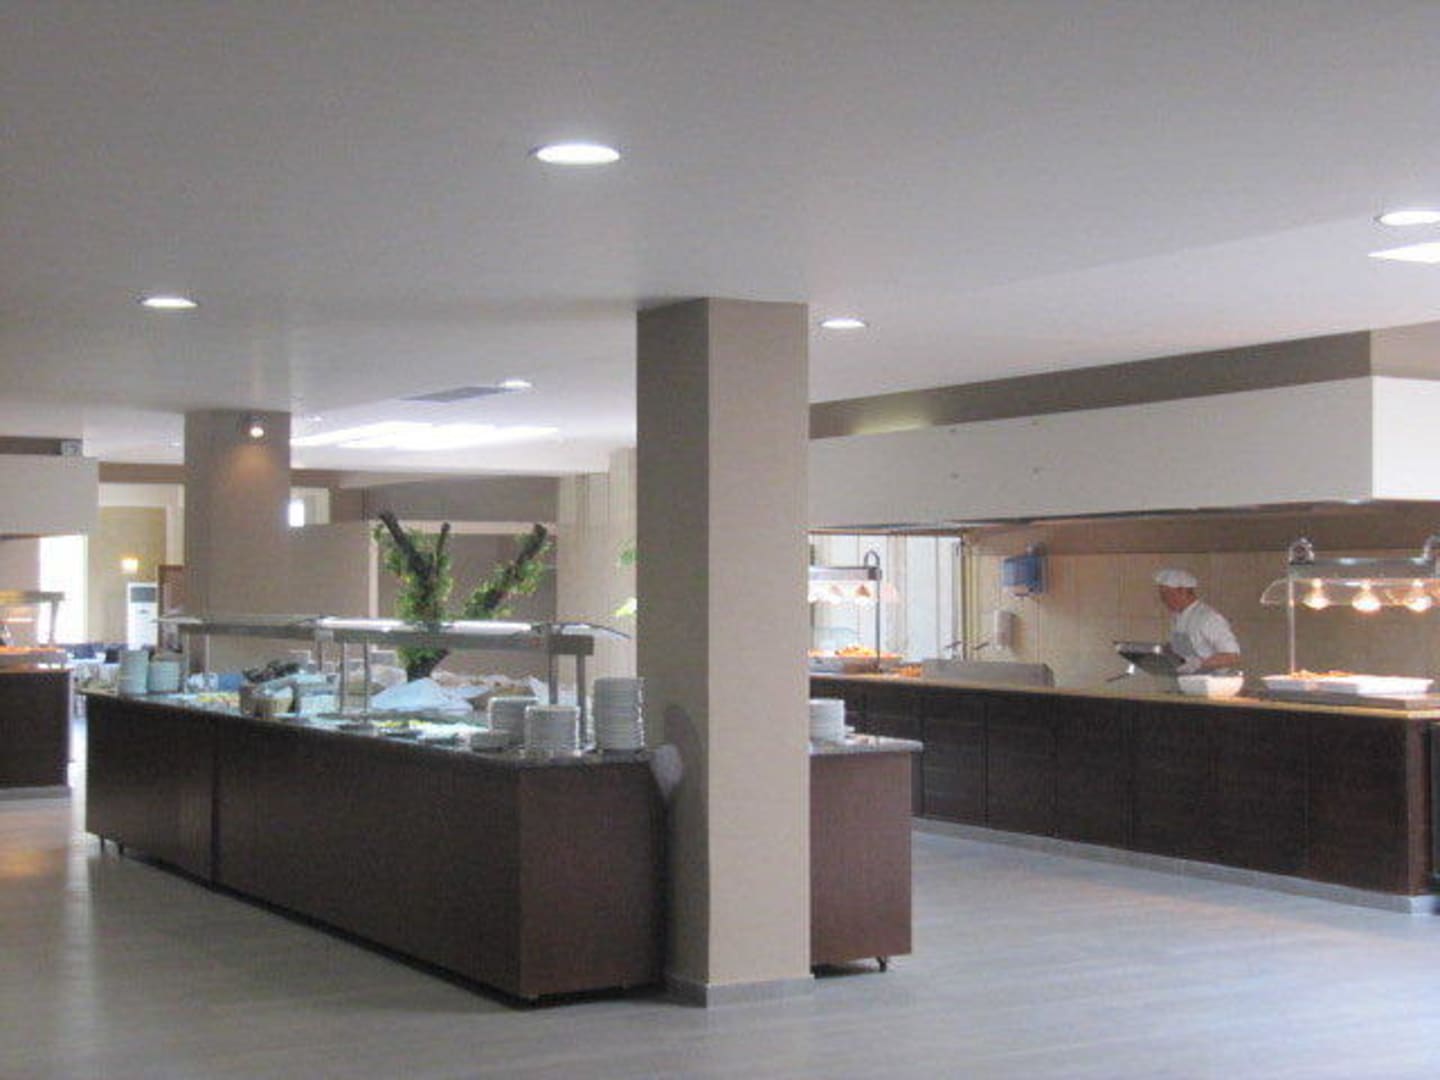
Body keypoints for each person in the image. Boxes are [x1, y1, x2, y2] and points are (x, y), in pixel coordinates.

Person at [1153, 568, 1241, 674]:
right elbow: (1183, 650)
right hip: (1186, 681)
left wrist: (1199, 664)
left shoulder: (1208, 617)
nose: (1164, 600)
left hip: (1212, 682)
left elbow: (1232, 656)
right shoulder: (1177, 617)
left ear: (1183, 591)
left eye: (1167, 595)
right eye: (1162, 596)